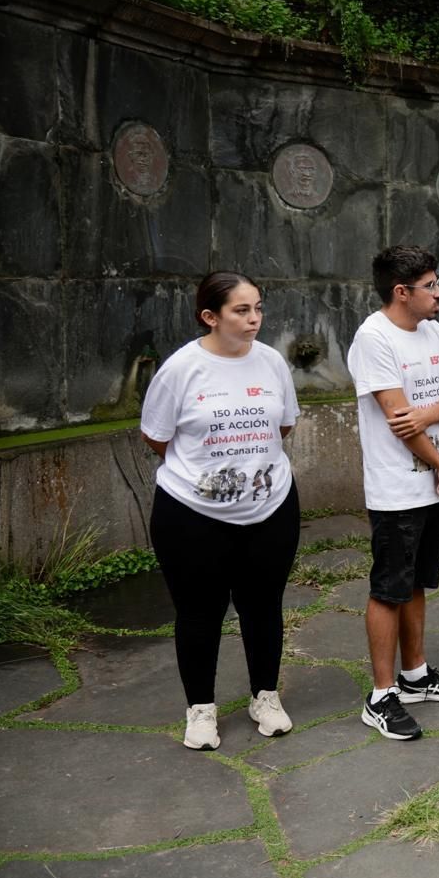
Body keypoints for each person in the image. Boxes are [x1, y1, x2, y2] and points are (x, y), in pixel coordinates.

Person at [141, 271, 301, 751]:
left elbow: (284, 426)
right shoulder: (181, 369)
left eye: (258, 308)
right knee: (198, 613)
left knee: (263, 606)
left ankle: (265, 697)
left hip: (270, 506)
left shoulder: (271, 362)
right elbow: (157, 437)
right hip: (191, 514)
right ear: (210, 317)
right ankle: (201, 710)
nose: (254, 319)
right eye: (241, 310)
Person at [348, 245, 439, 741]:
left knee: (418, 582)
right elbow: (398, 422)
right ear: (402, 292)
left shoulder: (433, 329)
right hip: (398, 488)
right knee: (388, 588)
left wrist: (427, 416)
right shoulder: (373, 338)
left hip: (432, 486)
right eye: (430, 286)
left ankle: (415, 675)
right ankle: (381, 696)